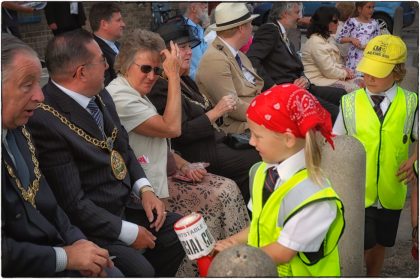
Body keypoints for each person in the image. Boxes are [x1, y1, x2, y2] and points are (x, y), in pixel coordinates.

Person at [27, 29, 185, 277]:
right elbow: (74, 203)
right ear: (81, 72)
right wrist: (130, 233)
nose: (108, 64)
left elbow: (124, 148)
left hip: (125, 205)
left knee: (179, 232)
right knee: (141, 270)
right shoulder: (45, 120)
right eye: (102, 60)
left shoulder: (99, 94)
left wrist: (145, 190)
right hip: (92, 226)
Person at [106, 28, 250, 258]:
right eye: (145, 68)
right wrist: (173, 75)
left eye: (156, 69)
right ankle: (214, 262)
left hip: (161, 175)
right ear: (124, 63)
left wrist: (183, 165)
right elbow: (172, 129)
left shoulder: (136, 91)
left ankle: (231, 259)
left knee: (227, 190)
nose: (152, 76)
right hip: (143, 191)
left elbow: (156, 143)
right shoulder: (120, 96)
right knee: (213, 205)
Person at [1, 33, 122, 278]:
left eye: (38, 83)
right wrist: (66, 257)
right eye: (27, 85)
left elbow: (49, 203)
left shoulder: (19, 130)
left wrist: (79, 243)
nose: (39, 96)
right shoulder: (37, 123)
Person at [214, 84, 345, 276]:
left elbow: (284, 252)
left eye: (257, 136)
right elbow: (258, 225)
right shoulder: (261, 172)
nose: (251, 142)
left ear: (288, 139)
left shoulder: (314, 196)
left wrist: (237, 258)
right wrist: (233, 242)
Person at [333, 34, 418, 276]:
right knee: (360, 240)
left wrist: (415, 160)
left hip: (392, 189)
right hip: (358, 190)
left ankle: (373, 275)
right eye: (367, 70)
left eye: (377, 72)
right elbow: (336, 140)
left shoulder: (411, 102)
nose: (368, 77)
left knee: (381, 241)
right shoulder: (349, 102)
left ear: (397, 72)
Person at [150, 20, 261, 203]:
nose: (189, 51)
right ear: (166, 55)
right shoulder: (161, 87)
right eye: (183, 48)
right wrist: (216, 111)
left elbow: (205, 109)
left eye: (189, 47)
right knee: (256, 159)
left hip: (217, 140)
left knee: (263, 150)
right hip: (198, 152)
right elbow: (180, 133)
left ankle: (247, 207)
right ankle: (252, 213)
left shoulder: (184, 79)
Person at [247, 2, 347, 122]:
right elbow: (252, 59)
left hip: (301, 87)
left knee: (342, 95)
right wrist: (274, 88)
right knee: (336, 113)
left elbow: (297, 66)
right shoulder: (270, 29)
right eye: (296, 12)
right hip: (288, 92)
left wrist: (304, 79)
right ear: (285, 14)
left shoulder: (281, 31)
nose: (299, 17)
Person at [196, 2, 264, 134]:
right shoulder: (215, 59)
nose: (252, 28)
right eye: (250, 24)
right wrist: (268, 114)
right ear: (241, 28)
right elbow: (234, 107)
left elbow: (255, 90)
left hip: (252, 117)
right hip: (238, 126)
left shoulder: (238, 55)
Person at [301, 6, 364, 93]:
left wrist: (345, 70)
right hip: (317, 81)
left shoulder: (325, 38)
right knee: (356, 88)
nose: (338, 24)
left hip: (328, 77)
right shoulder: (315, 42)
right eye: (335, 21)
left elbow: (333, 64)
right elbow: (328, 70)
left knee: (362, 81)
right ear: (324, 22)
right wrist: (345, 73)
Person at [336, 1, 380, 75]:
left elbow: (378, 41)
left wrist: (370, 45)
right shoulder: (351, 22)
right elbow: (339, 38)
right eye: (369, 7)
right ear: (359, 9)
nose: (371, 10)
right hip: (353, 61)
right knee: (354, 83)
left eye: (373, 7)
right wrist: (351, 39)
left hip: (368, 59)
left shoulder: (375, 23)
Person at [89, 2, 125, 86]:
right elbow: (107, 86)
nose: (123, 24)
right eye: (118, 20)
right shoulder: (94, 52)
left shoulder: (118, 45)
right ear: (104, 24)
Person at [179, 2, 209, 80]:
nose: (206, 5)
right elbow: (193, 69)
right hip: (194, 83)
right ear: (193, 8)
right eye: (203, 3)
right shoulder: (183, 28)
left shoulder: (198, 28)